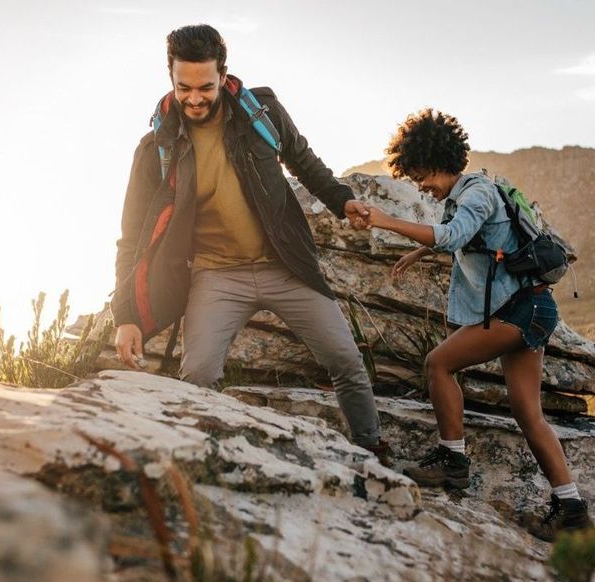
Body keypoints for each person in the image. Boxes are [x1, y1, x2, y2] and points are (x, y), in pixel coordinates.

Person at [110, 24, 387, 457]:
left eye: (205, 86)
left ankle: (372, 453)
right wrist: (125, 314)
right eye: (184, 88)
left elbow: (303, 160)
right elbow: (131, 238)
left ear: (223, 74)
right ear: (170, 77)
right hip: (216, 275)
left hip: (285, 265)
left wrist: (342, 201)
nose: (195, 98)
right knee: (198, 375)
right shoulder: (154, 148)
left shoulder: (262, 112)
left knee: (346, 362)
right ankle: (204, 460)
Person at [355, 108, 591, 534]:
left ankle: (452, 460)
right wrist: (416, 253)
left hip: (521, 310)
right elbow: (457, 231)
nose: (421, 187)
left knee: (439, 364)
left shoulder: (476, 192)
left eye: (422, 176)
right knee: (528, 414)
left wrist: (389, 222)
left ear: (440, 161)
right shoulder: (466, 192)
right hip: (530, 307)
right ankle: (572, 509)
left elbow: (453, 236)